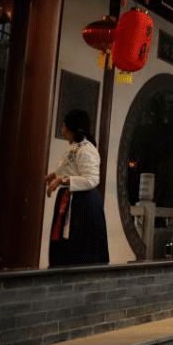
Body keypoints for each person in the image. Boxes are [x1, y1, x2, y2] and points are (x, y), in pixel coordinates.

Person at [45, 109, 109, 266]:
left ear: (67, 127)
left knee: (79, 251)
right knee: (62, 248)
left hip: (82, 205)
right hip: (69, 201)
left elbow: (92, 179)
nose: (62, 128)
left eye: (63, 125)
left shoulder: (86, 148)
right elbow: (74, 169)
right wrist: (56, 174)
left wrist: (62, 180)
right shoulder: (75, 146)